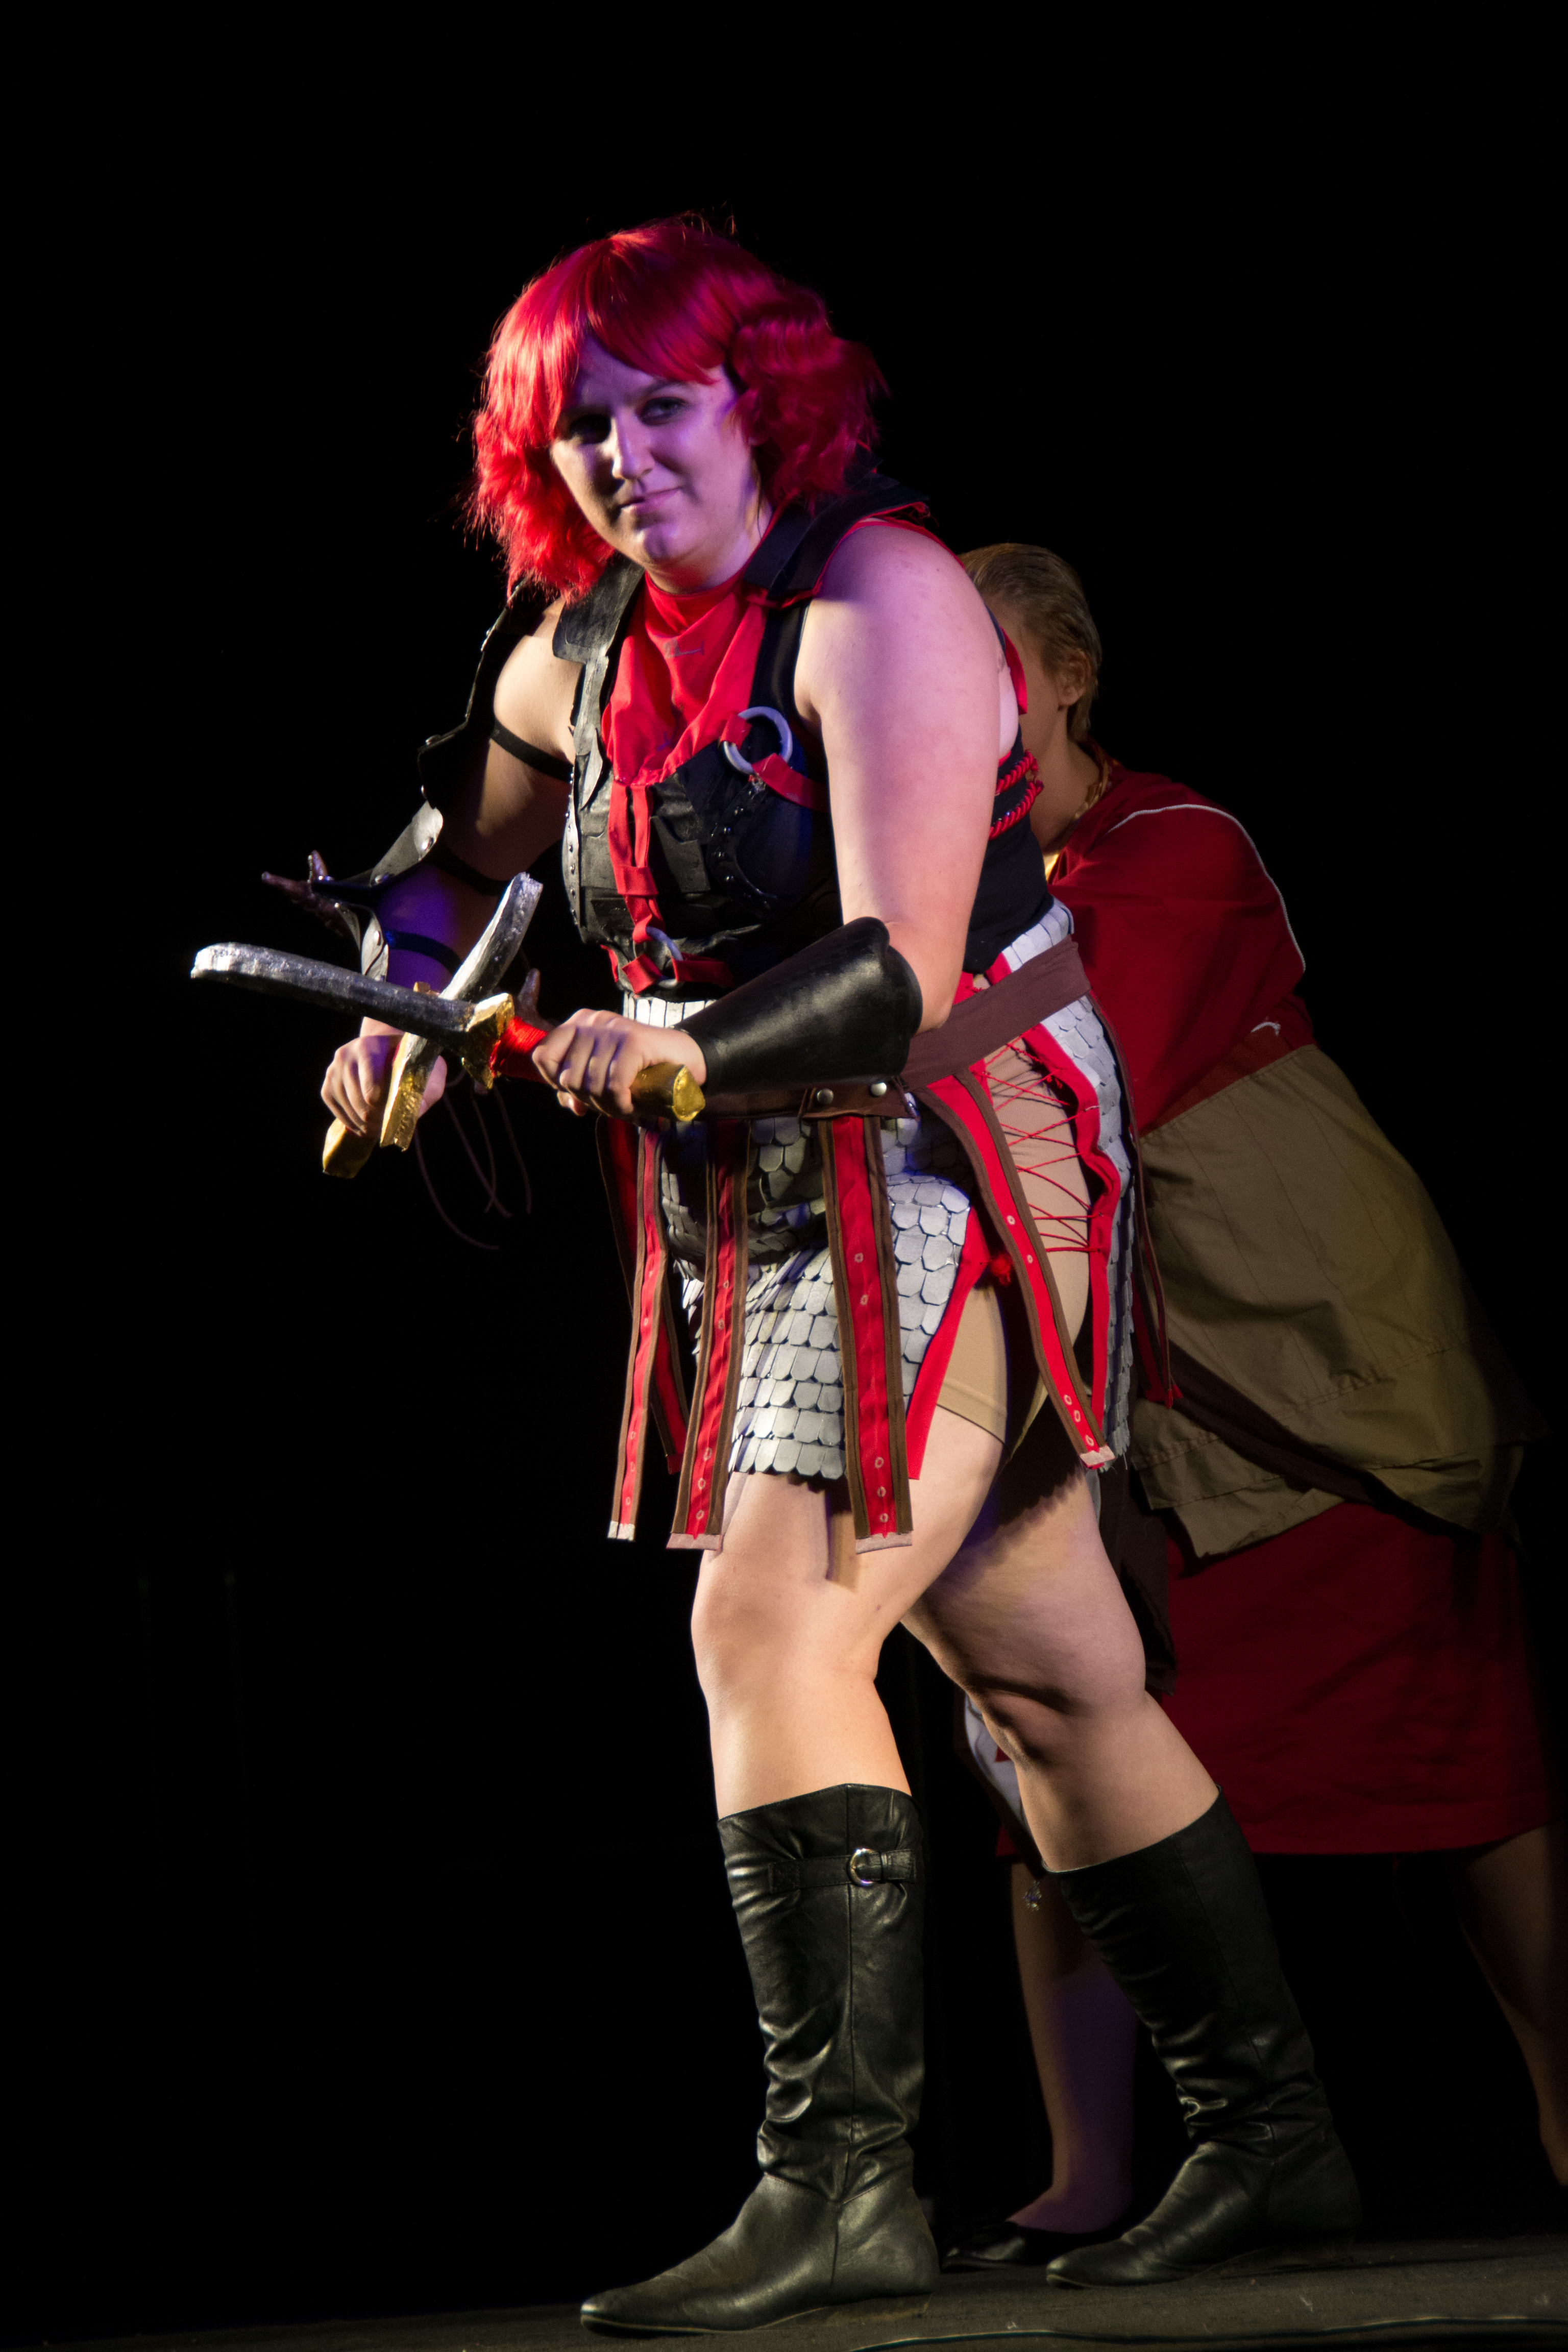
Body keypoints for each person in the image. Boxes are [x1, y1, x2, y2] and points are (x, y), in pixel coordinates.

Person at [315, 222, 1360, 2324]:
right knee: (1048, 1668)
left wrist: (683, 1049)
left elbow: (900, 976)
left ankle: (841, 2186)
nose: (626, 457)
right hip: (770, 1182)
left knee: (773, 1621)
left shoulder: (885, 602)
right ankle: (1277, 2145)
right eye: (581, 426)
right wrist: (401, 1006)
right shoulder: (577, 648)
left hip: (951, 1143)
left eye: (664, 405)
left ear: (760, 399)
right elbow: (456, 867)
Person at [941, 542, 1564, 2269]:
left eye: (986, 671)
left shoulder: (1174, 843)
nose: (950, 712)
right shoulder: (946, 874)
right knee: (1051, 1740)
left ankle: (1564, 2118)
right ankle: (1085, 2172)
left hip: (1299, 1344)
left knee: (1451, 1748)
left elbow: (1068, 1075)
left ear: (1072, 676)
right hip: (1123, 1380)